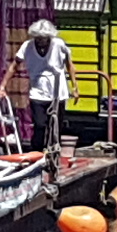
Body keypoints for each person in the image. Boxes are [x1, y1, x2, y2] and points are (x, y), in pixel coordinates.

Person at [14, 17, 72, 156]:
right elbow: (14, 65)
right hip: (37, 93)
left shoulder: (58, 44)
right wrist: (3, 86)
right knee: (40, 124)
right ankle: (36, 152)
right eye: (38, 38)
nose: (41, 41)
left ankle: (53, 152)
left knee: (56, 125)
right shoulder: (27, 46)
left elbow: (69, 64)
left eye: (44, 38)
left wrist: (75, 87)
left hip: (58, 93)